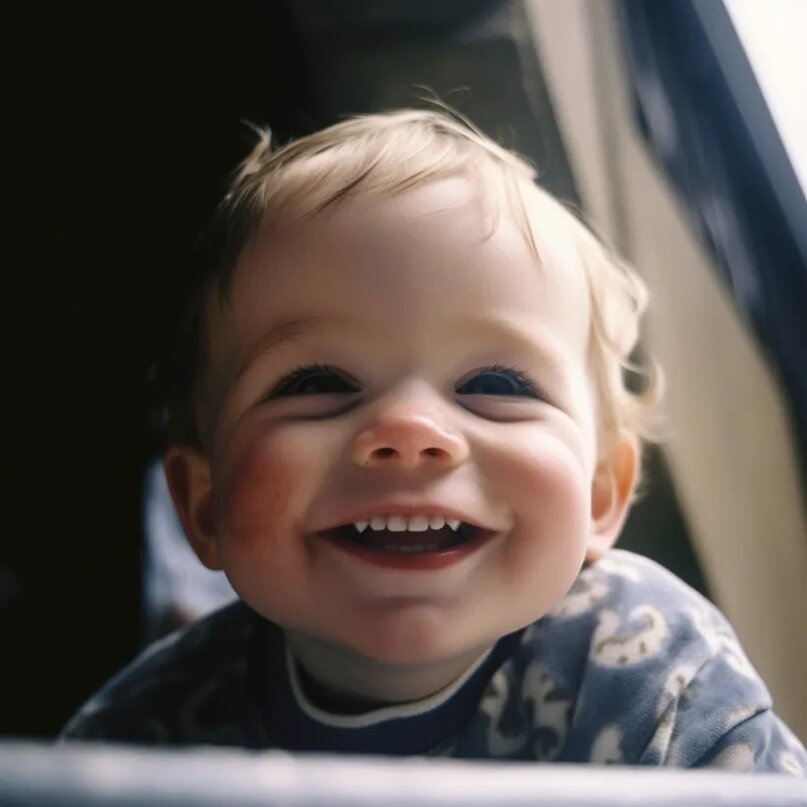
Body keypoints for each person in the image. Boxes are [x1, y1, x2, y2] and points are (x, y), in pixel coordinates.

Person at [61, 110, 806, 773]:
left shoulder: (651, 675)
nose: (409, 431)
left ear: (599, 493)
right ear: (202, 502)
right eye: (315, 380)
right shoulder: (145, 738)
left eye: (499, 385)